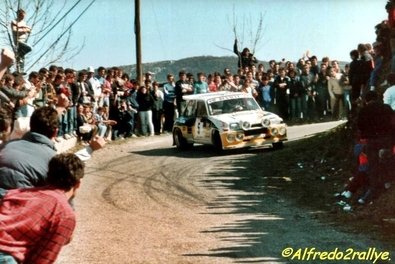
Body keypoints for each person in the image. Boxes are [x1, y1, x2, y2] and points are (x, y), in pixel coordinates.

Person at [0, 153, 85, 263]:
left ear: (48, 176)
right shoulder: (65, 214)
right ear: (78, 183)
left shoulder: (17, 193)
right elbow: (44, 258)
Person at [0, 106, 105, 190]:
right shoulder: (53, 159)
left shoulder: (6, 146)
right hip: (21, 210)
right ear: (56, 131)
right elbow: (69, 166)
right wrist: (90, 148)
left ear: (31, 126)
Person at [356, 90, 394, 204]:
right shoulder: (386, 108)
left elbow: (360, 126)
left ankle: (374, 188)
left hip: (372, 141)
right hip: (387, 140)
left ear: (366, 100)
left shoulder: (364, 110)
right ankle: (387, 182)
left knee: (373, 165)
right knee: (387, 161)